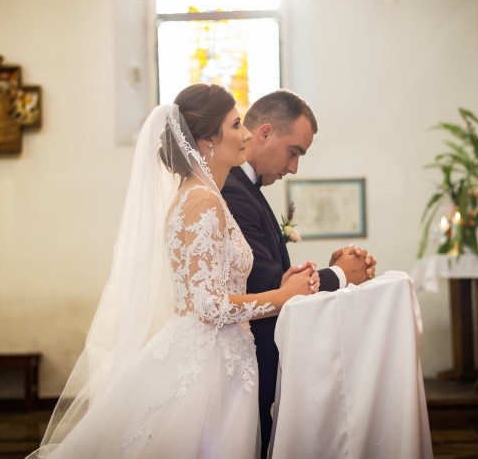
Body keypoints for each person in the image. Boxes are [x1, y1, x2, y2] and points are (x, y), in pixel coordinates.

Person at [28, 84, 320, 458]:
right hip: (207, 365)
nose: (246, 134)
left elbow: (218, 283)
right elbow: (208, 305)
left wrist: (283, 284)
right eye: (235, 125)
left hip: (225, 356)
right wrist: (281, 297)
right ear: (206, 141)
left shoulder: (205, 196)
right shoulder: (202, 201)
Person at [221, 89, 376, 456]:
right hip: (242, 361)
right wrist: (340, 274)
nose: (294, 168)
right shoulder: (233, 190)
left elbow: (274, 274)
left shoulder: (247, 188)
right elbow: (266, 283)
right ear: (265, 132)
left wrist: (334, 268)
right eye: (294, 152)